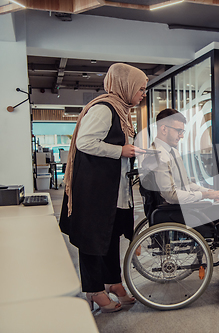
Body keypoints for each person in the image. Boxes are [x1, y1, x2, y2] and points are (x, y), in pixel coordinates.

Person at [59, 63, 149, 313]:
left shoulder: (120, 109)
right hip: (95, 191)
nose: (144, 93)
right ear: (126, 86)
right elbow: (85, 142)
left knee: (109, 237)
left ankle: (113, 282)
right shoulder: (104, 109)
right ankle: (95, 290)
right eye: (141, 88)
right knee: (92, 241)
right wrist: (121, 150)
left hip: (111, 189)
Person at [140, 108, 219, 279]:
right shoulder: (159, 156)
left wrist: (211, 192)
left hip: (182, 207)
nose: (182, 136)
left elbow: (187, 184)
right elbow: (171, 195)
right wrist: (206, 196)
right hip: (177, 213)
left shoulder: (171, 151)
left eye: (182, 131)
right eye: (179, 131)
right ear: (163, 128)